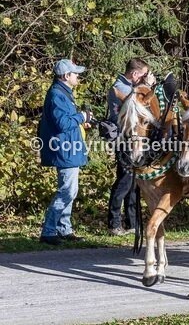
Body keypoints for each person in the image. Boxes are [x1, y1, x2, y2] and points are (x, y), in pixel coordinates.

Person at [38, 59, 93, 245]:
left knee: (71, 190)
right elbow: (62, 123)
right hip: (64, 150)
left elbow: (65, 121)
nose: (78, 76)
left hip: (69, 148)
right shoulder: (57, 95)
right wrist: (81, 117)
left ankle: (64, 229)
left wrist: (80, 122)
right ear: (66, 76)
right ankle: (48, 231)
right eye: (75, 73)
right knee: (67, 191)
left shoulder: (63, 93)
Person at [104, 57, 150, 235]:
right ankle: (114, 223)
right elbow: (137, 106)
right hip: (124, 140)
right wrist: (147, 86)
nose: (144, 77)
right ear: (135, 73)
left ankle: (132, 223)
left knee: (133, 184)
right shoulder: (121, 88)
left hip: (132, 139)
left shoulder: (129, 87)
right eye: (143, 74)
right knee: (124, 182)